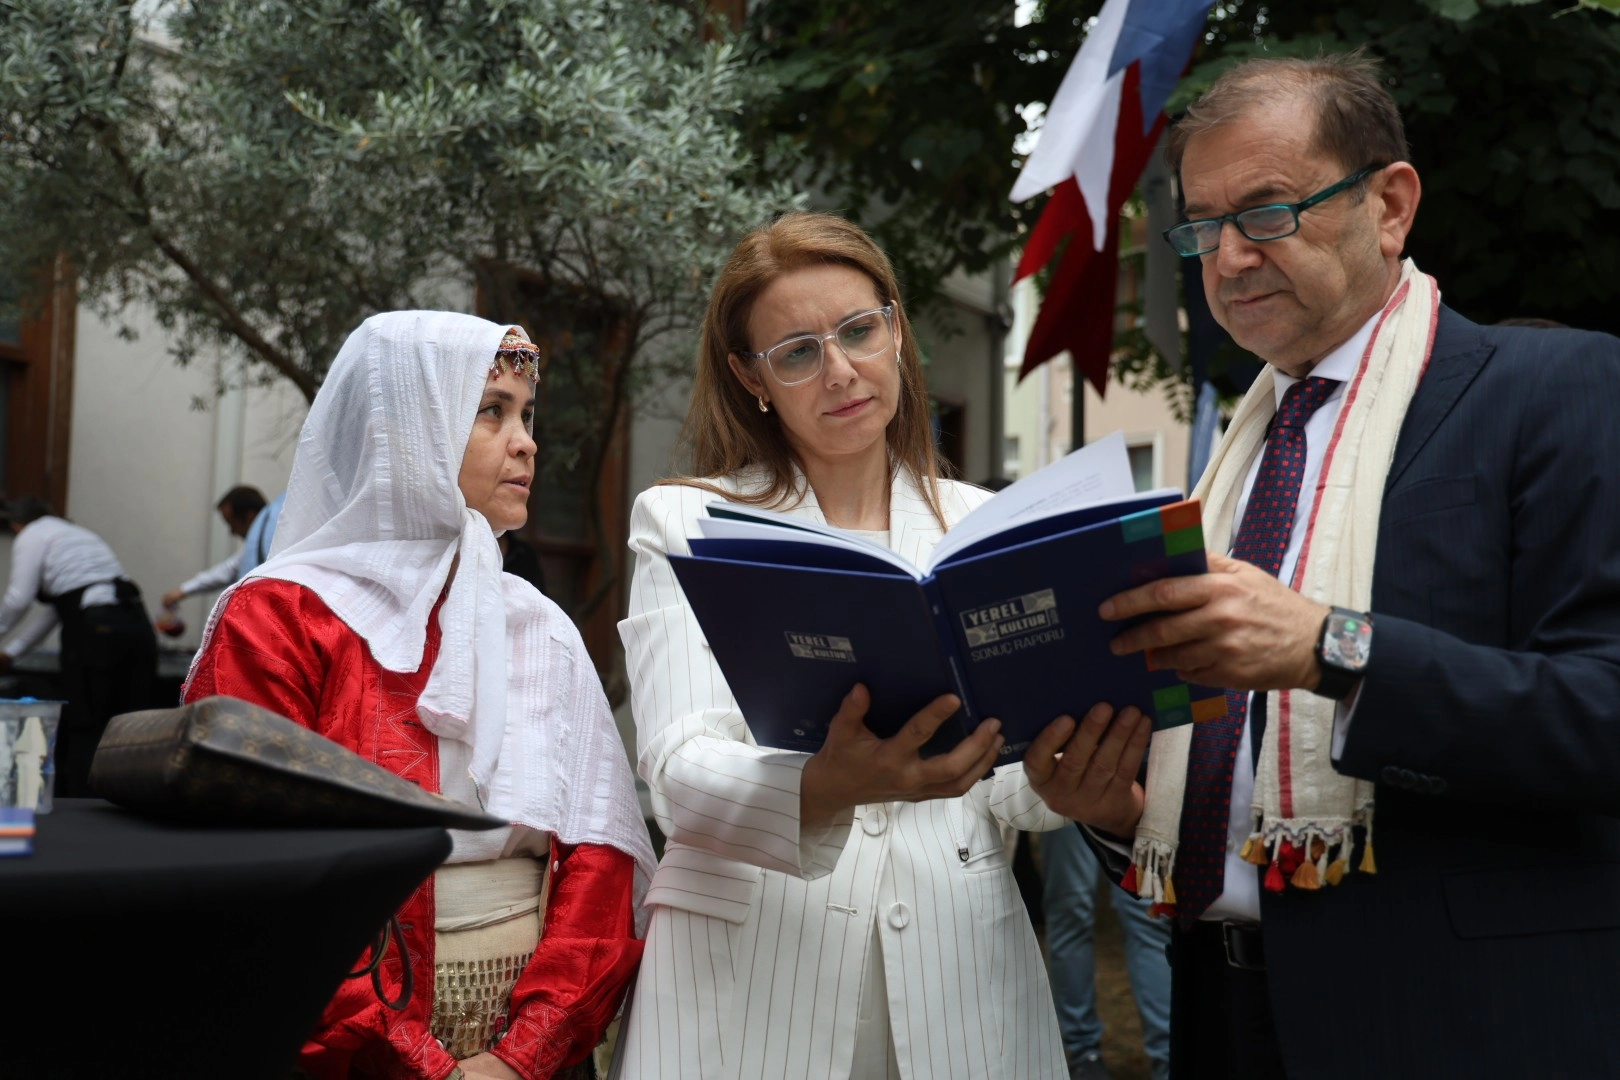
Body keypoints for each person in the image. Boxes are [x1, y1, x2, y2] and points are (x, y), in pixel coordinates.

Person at [1023, 53, 1620, 1079]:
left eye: (1265, 213)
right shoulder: (1226, 470)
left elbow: (1603, 714)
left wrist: (1330, 649)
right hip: (1223, 1014)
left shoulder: (1555, 388)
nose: (1229, 258)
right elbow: (1226, 776)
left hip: (1464, 1022)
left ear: (1390, 205)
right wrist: (1116, 813)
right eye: (1202, 226)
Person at [613, 212, 1073, 1080]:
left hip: (959, 978)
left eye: (859, 331)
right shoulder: (688, 520)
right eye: (797, 352)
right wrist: (821, 785)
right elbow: (677, 770)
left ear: (896, 330)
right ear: (752, 377)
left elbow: (1014, 782)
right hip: (749, 984)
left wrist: (1058, 772)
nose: (840, 371)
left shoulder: (982, 525)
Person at [183, 311, 657, 1079]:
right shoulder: (280, 617)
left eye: (526, 414)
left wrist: (521, 1057)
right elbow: (261, 882)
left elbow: (599, 862)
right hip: (340, 1046)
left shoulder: (539, 626)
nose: (527, 441)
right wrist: (417, 1065)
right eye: (490, 412)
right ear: (406, 431)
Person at [0, 495, 157, 797]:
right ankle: (132, 797)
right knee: (132, 723)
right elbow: (57, 611)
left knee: (85, 721)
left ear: (17, 524)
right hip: (136, 625)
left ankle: (81, 805)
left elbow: (18, 598)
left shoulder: (32, 535)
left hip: (95, 632)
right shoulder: (79, 535)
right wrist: (11, 652)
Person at [1041, 824, 1170, 1080]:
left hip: (1128, 792)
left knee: (1146, 917)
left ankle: (1166, 1055)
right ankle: (1083, 1053)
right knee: (1073, 911)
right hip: (1063, 796)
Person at [160, 485, 268, 609]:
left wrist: (182, 591)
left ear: (250, 517)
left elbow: (229, 570)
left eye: (232, 523)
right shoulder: (258, 543)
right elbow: (230, 569)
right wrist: (182, 591)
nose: (232, 532)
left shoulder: (271, 541)